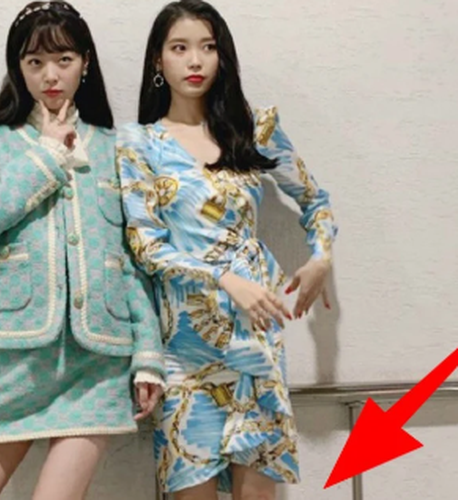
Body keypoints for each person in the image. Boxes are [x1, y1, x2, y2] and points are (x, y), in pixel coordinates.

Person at [0, 2, 166, 499]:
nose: (50, 75)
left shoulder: (114, 146)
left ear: (85, 62)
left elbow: (130, 260)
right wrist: (47, 155)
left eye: (63, 59)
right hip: (13, 362)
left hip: (96, 363)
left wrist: (148, 355)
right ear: (17, 67)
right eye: (34, 62)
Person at [116, 1, 338, 499]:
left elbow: (315, 200)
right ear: (158, 60)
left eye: (208, 47)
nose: (195, 60)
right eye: (180, 48)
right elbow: (145, 245)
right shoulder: (139, 143)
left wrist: (320, 257)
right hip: (184, 350)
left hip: (254, 341)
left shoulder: (253, 128)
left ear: (222, 56)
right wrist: (222, 277)